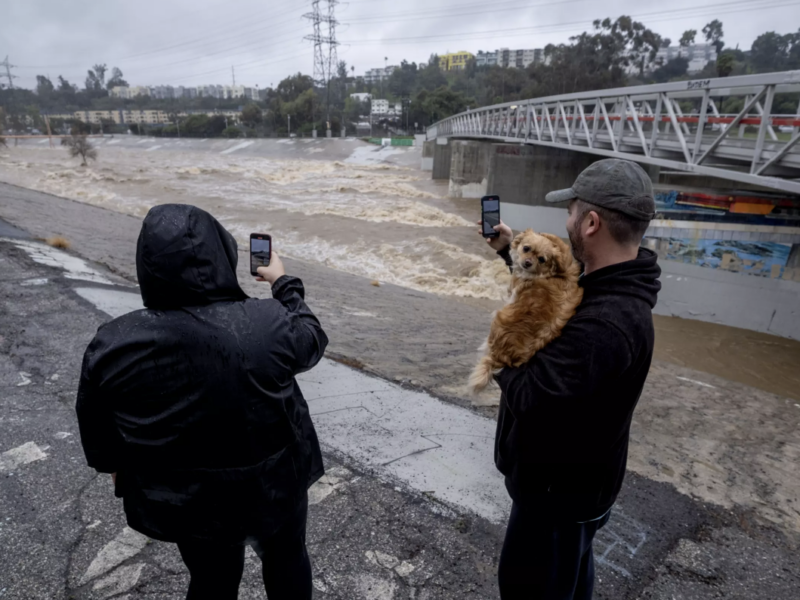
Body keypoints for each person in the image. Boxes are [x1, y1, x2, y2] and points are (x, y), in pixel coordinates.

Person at [76, 204, 327, 600]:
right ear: (222, 256)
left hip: (187, 498)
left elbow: (96, 423)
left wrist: (116, 469)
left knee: (213, 577)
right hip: (277, 483)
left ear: (148, 265)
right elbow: (312, 337)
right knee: (286, 557)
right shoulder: (268, 322)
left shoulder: (113, 342)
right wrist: (283, 282)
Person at [482, 159, 662, 599]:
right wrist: (511, 251)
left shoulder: (604, 325)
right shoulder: (605, 285)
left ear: (591, 222)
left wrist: (500, 348)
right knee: (570, 581)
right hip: (577, 487)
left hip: (556, 499)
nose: (566, 223)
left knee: (530, 588)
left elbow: (531, 396)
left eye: (571, 213)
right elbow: (553, 294)